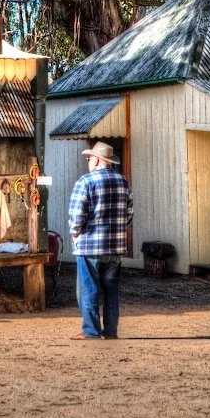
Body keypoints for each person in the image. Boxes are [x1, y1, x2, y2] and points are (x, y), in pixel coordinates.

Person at [68, 141, 132, 340]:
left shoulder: (85, 182)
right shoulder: (123, 182)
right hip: (115, 247)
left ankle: (91, 331)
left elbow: (77, 214)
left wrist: (75, 233)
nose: (88, 161)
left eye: (89, 158)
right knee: (111, 291)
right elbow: (129, 213)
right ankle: (111, 331)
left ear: (97, 160)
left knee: (88, 290)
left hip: (89, 246)